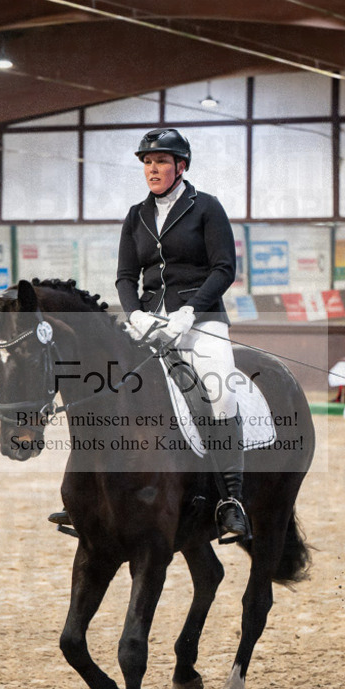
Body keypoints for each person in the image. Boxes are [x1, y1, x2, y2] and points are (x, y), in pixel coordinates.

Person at [114, 127, 249, 540]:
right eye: (148, 163)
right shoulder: (136, 215)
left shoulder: (206, 207)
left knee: (221, 392)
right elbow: (124, 276)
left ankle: (230, 500)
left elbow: (224, 268)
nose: (152, 169)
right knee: (111, 388)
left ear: (181, 166)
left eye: (160, 162)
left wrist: (191, 310)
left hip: (201, 321)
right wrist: (134, 314)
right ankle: (95, 493)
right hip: (150, 323)